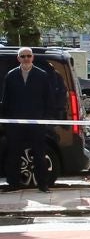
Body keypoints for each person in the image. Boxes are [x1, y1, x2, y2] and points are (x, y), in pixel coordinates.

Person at [1, 48, 63, 192]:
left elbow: (49, 99)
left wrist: (45, 118)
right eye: (23, 56)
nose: (26, 59)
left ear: (33, 57)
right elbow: (6, 100)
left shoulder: (41, 75)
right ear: (19, 58)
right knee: (13, 154)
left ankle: (43, 185)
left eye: (29, 56)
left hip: (36, 123)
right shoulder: (11, 76)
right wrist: (7, 121)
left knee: (39, 154)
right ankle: (13, 184)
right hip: (15, 123)